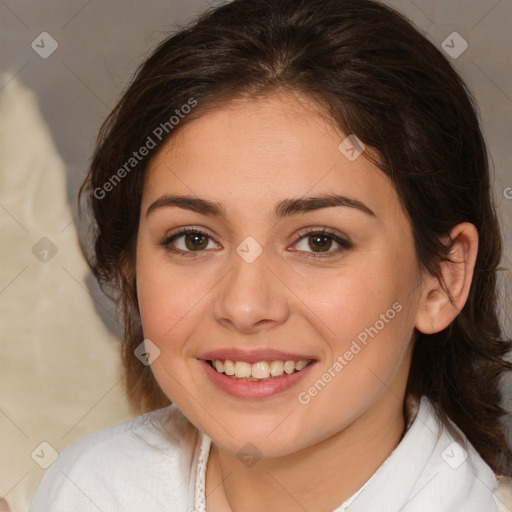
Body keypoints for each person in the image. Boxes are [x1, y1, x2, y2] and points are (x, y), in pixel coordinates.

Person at [29, 0, 512, 510]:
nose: (244, 305)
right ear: (131, 268)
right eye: (193, 240)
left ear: (441, 278)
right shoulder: (86, 488)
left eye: (319, 241)